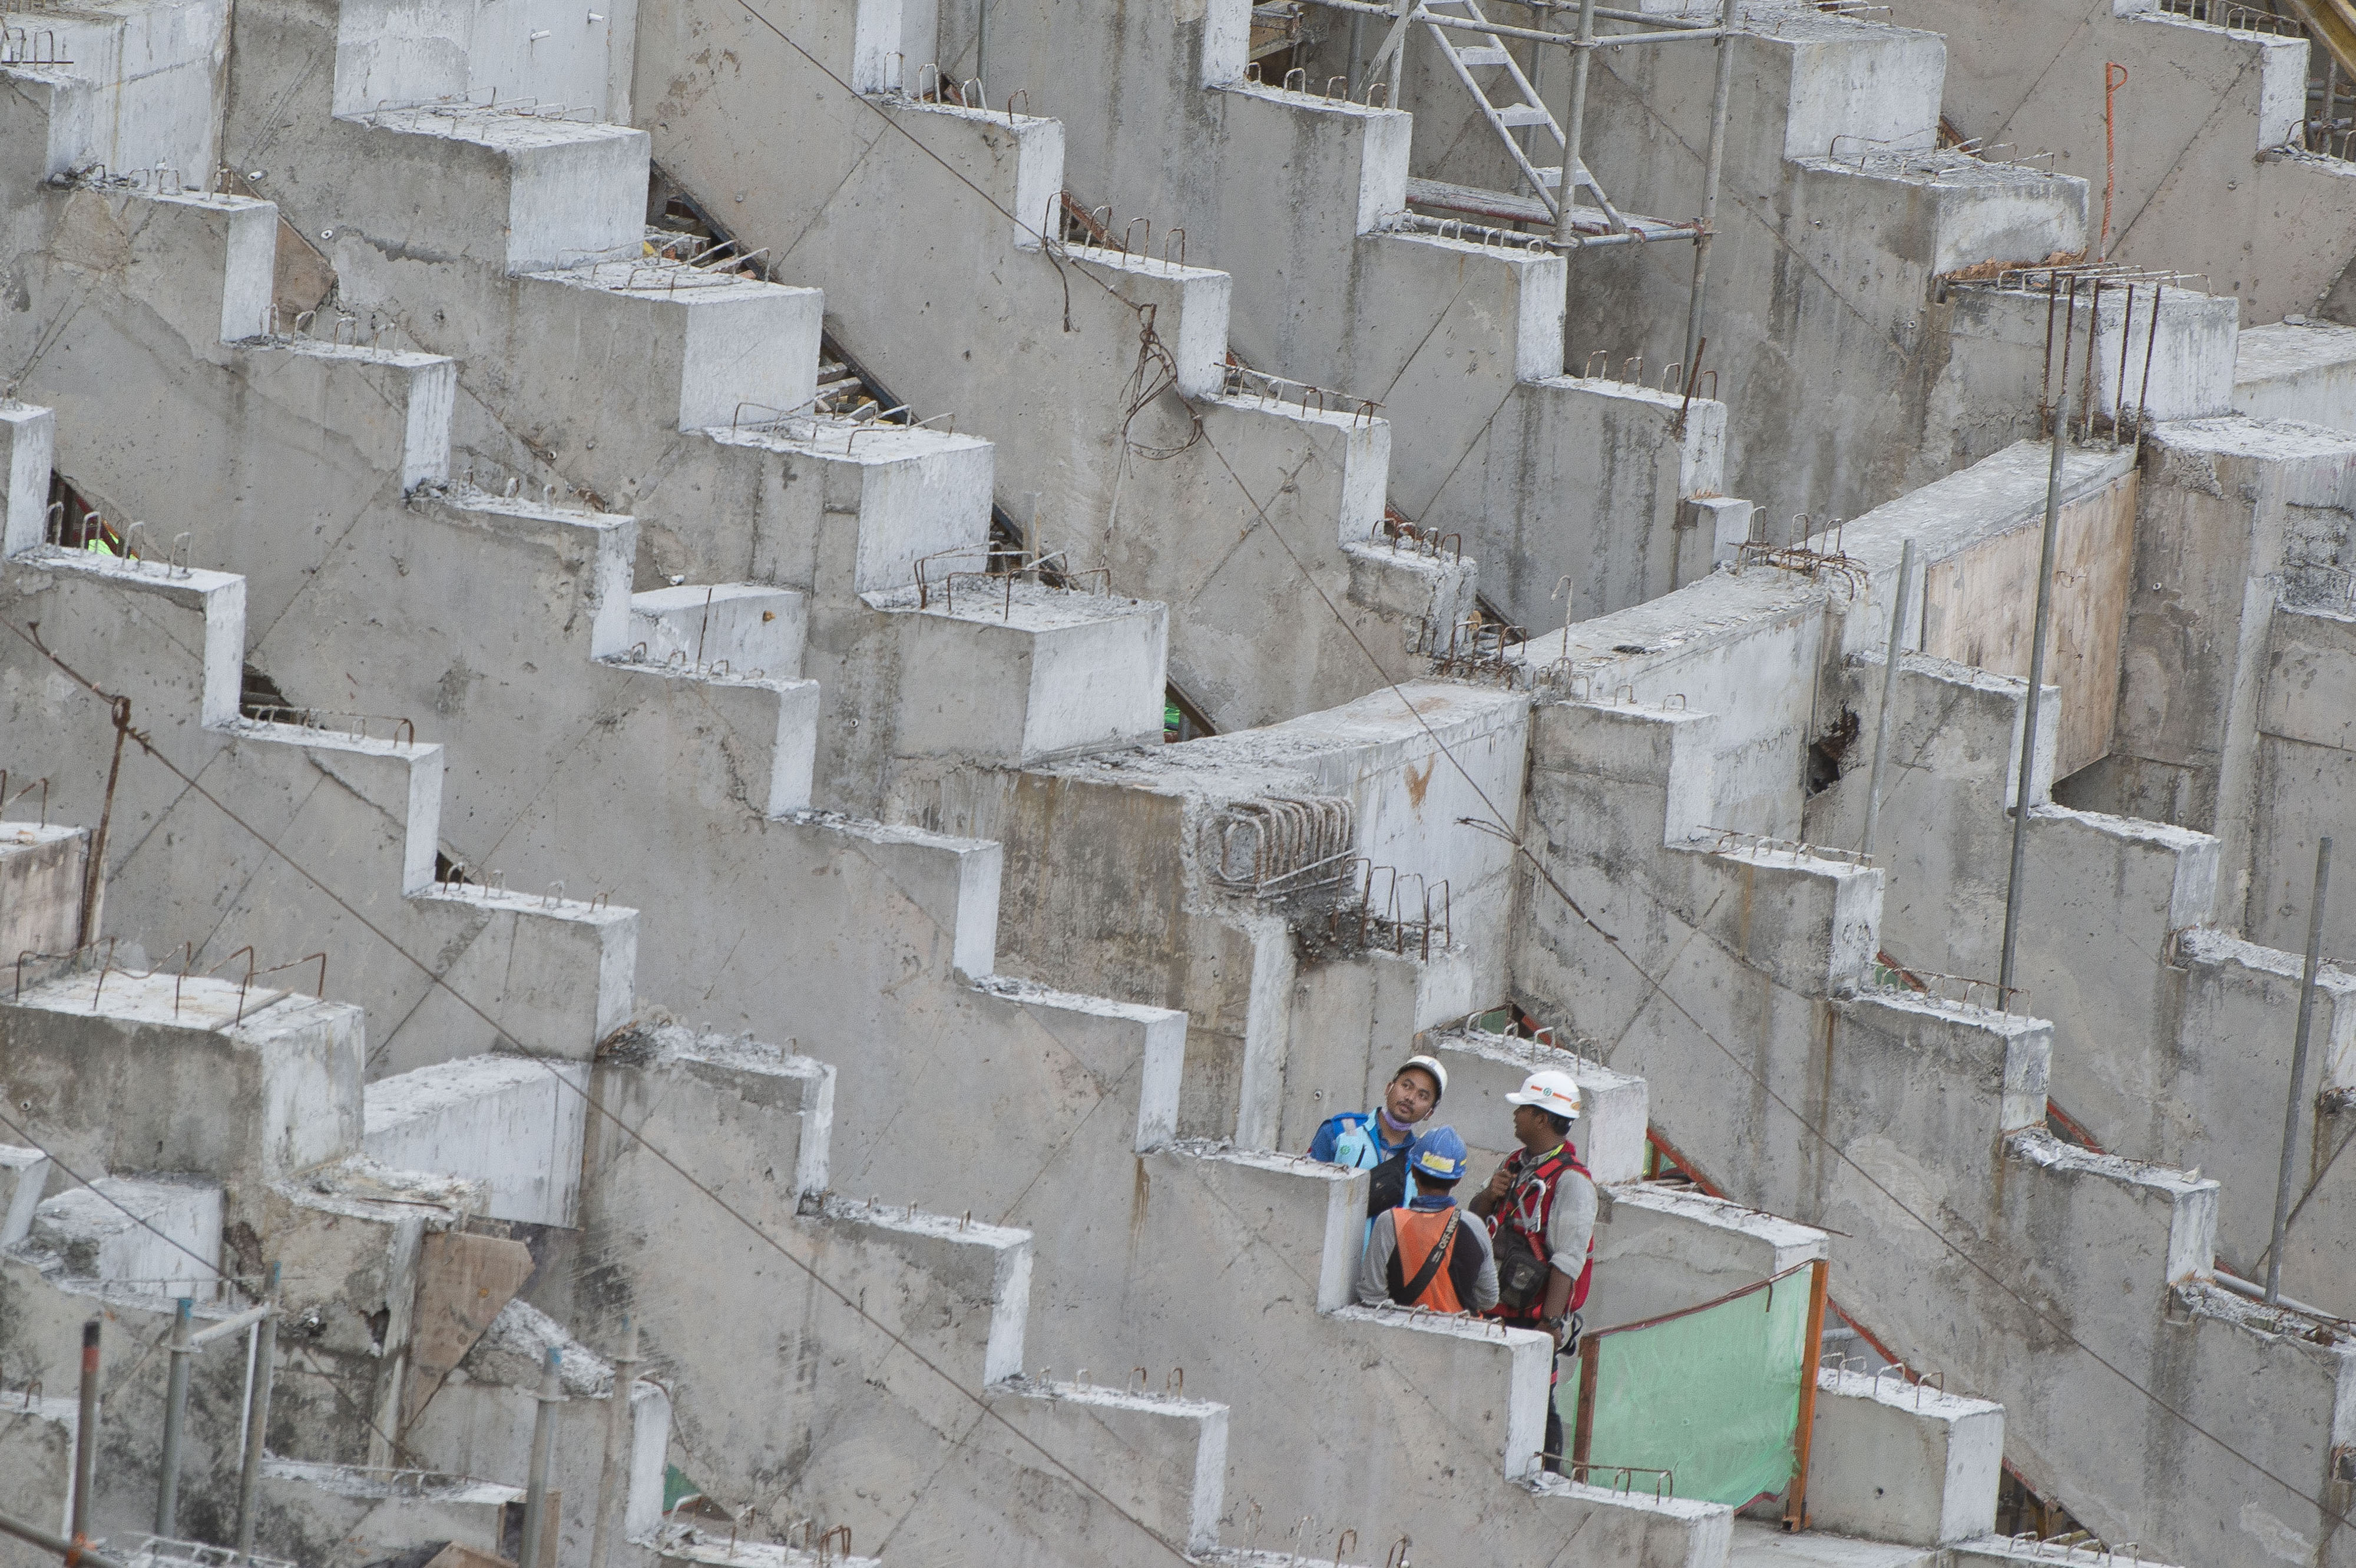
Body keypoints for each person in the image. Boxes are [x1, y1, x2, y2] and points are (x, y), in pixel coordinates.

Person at [1470, 1069, 1596, 1474]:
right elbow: (1476, 1219)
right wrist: (1489, 1195)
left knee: (1539, 1405)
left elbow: (1568, 1260)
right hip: (1494, 1309)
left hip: (1532, 1320)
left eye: (1523, 1108)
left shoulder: (1573, 1182)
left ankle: (1548, 1478)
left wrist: (1550, 1324)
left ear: (1541, 1118)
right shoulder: (1514, 1164)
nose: (1516, 1114)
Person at [1357, 1126, 1498, 1314]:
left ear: (1413, 1170)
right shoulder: (1475, 1226)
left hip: (1400, 1328)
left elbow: (1371, 1295)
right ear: (1457, 1180)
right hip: (1459, 1329)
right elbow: (1489, 1300)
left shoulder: (1389, 1222)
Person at [1306, 1054, 1448, 1218]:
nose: (1410, 1098)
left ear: (1430, 1113)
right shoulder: (1338, 1131)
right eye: (1406, 1086)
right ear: (1389, 1088)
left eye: (1423, 1096)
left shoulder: (1422, 1162)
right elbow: (1307, 1194)